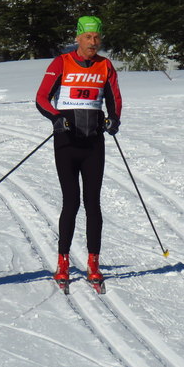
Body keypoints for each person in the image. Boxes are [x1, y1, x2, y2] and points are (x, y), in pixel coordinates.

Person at [35, 16, 122, 287]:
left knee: (93, 203)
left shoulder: (105, 66)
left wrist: (113, 120)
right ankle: (62, 261)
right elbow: (41, 98)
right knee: (71, 201)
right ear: (78, 38)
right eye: (88, 37)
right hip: (67, 141)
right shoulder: (61, 62)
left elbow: (114, 99)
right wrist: (56, 118)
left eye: (96, 37)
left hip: (94, 142)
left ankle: (93, 262)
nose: (93, 42)